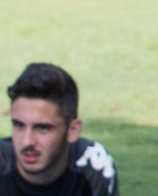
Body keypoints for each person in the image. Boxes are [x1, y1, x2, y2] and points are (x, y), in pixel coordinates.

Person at [2, 63, 118, 196]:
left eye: (42, 128)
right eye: (19, 125)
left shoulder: (93, 165)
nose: (27, 141)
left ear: (73, 130)